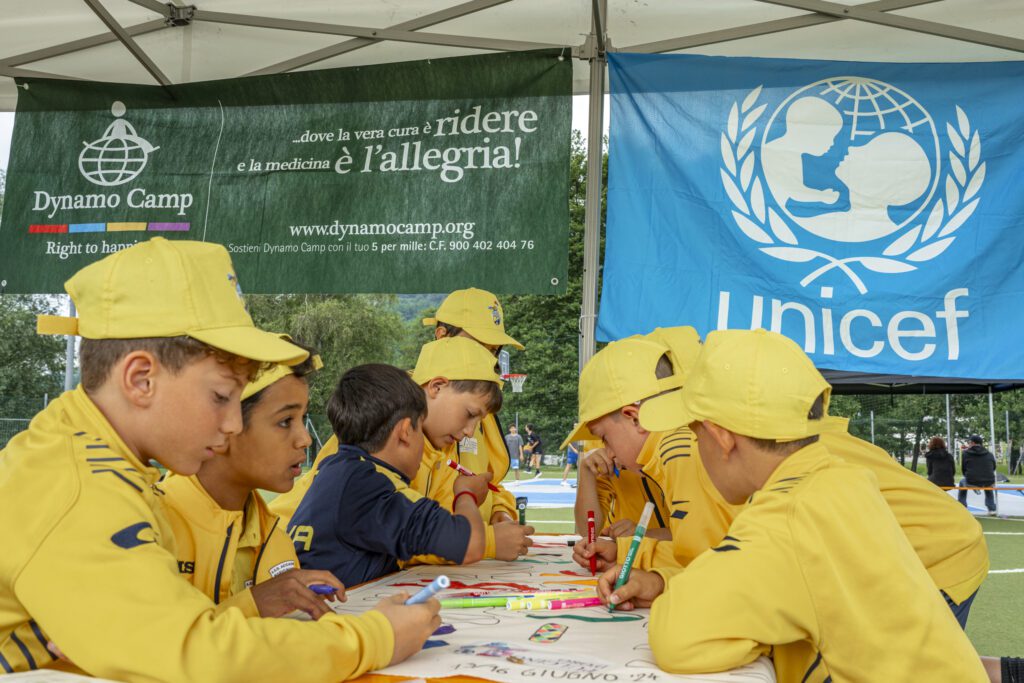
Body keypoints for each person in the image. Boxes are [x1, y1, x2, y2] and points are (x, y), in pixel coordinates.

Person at [0, 238, 438, 680]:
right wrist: (375, 638)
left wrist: (248, 606)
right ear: (140, 379)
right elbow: (193, 656)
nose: (232, 424)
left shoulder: (87, 456)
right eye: (222, 396)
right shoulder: (79, 487)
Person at [600, 329, 987, 682]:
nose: (691, 446)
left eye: (693, 431)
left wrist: (672, 589)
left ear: (720, 437)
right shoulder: (843, 481)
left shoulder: (786, 517)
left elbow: (677, 636)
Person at [161, 343, 344, 619]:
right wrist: (254, 603)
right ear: (224, 426)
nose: (305, 439)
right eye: (285, 421)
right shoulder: (151, 525)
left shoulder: (271, 535)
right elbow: (139, 646)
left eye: (303, 419)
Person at [287, 364, 490, 586]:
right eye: (420, 428)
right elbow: (470, 543)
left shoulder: (335, 469)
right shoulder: (368, 485)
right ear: (405, 432)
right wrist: (466, 495)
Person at [568, 330, 725, 576]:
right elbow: (699, 554)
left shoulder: (678, 449)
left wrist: (647, 568)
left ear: (634, 418)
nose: (607, 451)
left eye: (605, 438)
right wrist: (628, 555)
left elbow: (709, 562)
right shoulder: (674, 445)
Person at [408, 337, 534, 562]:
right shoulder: (380, 437)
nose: (469, 431)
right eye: (470, 414)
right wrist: (488, 542)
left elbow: (442, 520)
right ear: (436, 386)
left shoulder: (442, 450)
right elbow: (396, 529)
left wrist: (498, 512)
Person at [424, 287, 523, 521]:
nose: (488, 360)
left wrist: (501, 512)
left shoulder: (482, 415)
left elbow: (489, 483)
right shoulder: (389, 405)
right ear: (441, 336)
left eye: (494, 351)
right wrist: (485, 543)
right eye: (478, 346)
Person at [960, 434, 998, 515]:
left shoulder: (966, 454)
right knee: (989, 483)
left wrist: (968, 476)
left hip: (972, 481)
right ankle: (991, 508)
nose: (969, 444)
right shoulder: (989, 454)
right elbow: (993, 467)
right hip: (988, 481)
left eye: (969, 442)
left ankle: (962, 506)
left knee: (962, 482)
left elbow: (963, 469)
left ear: (973, 443)